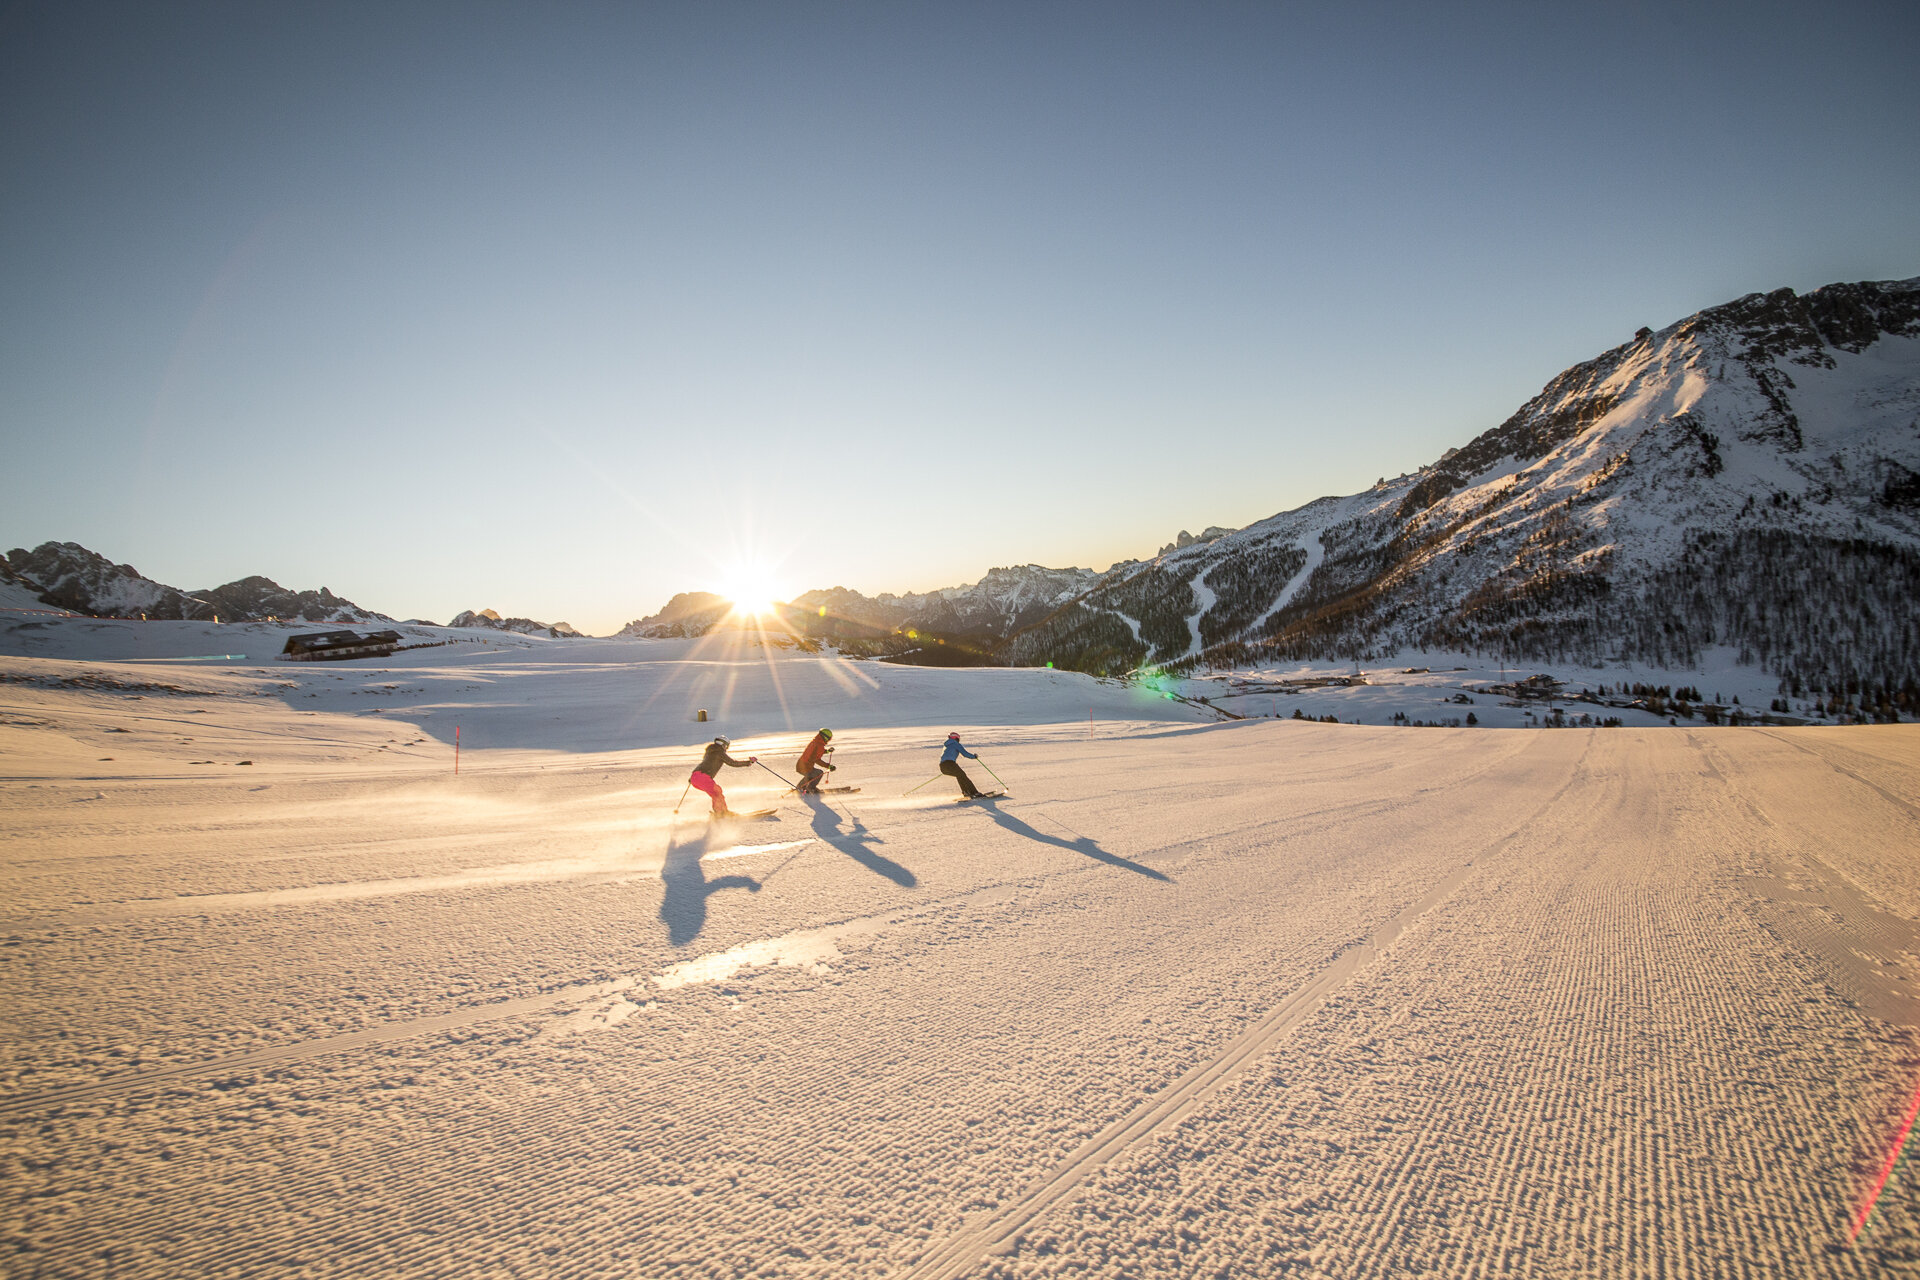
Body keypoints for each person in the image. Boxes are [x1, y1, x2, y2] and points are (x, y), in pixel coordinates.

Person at [690, 736, 756, 817]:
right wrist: (748, 762)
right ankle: (722, 814)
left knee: (716, 792)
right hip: (703, 777)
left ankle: (719, 813)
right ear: (723, 744)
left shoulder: (710, 752)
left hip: (694, 777)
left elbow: (703, 764)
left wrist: (693, 778)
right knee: (717, 792)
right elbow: (732, 763)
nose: (726, 748)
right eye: (727, 746)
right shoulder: (719, 752)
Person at [939, 731, 982, 798]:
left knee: (960, 776)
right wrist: (974, 757)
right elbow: (965, 754)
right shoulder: (955, 744)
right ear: (956, 738)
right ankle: (975, 793)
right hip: (950, 764)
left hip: (942, 766)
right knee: (963, 776)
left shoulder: (946, 746)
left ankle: (966, 792)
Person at [795, 728, 835, 794]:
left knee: (811, 774)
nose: (829, 740)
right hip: (805, 767)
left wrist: (827, 751)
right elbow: (816, 759)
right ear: (825, 737)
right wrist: (828, 766)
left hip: (800, 765)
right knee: (818, 773)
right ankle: (811, 788)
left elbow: (816, 752)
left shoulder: (815, 742)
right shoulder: (819, 745)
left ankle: (800, 787)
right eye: (829, 739)